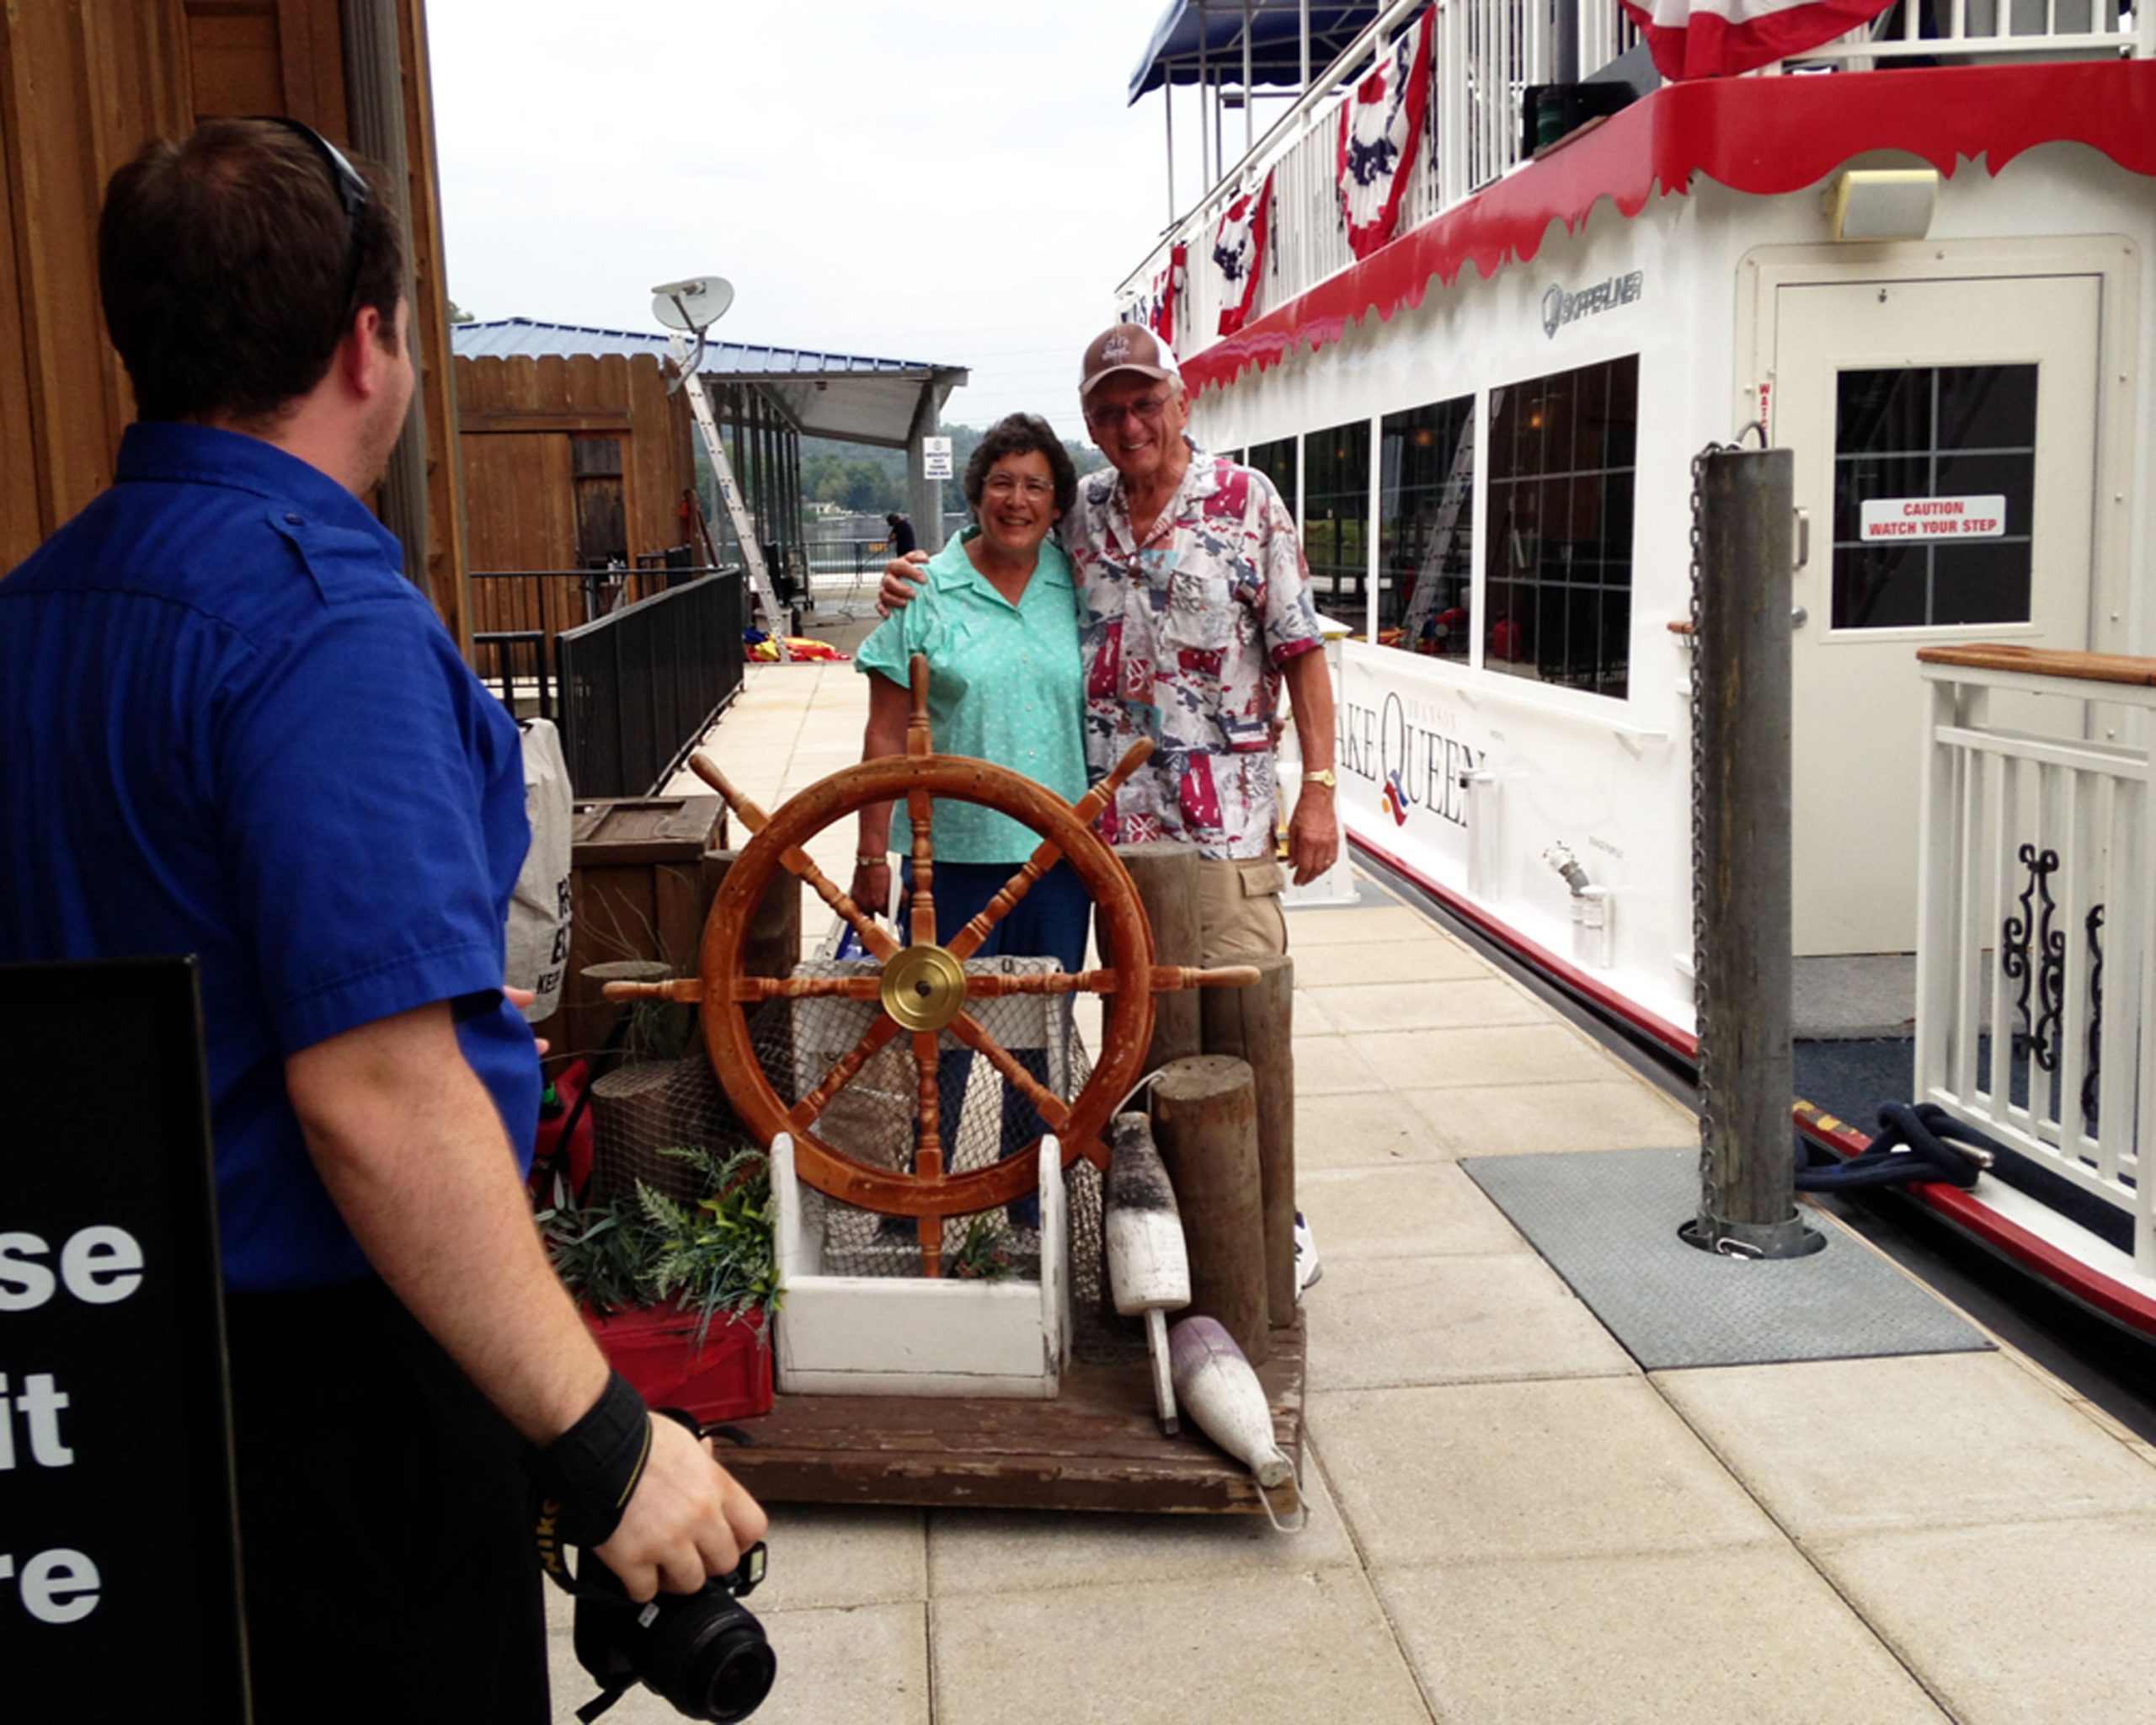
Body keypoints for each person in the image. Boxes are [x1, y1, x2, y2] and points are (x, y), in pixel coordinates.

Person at [0, 119, 765, 1722]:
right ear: (371, 345)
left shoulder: (37, 610)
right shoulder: (322, 623)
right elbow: (375, 1092)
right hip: (324, 1398)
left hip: (77, 1357)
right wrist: (608, 1442)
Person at [883, 325, 1339, 1288]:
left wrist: (1321, 792)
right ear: (1092, 422)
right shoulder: (1080, 511)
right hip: (1106, 837)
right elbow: (988, 553)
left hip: (1220, 832)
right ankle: (1163, 1231)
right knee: (1134, 1038)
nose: (1129, 423)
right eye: (1109, 409)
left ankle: (1272, 1223)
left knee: (1240, 1026)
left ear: (1181, 402)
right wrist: (914, 578)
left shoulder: (1248, 501)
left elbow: (1301, 649)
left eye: (1144, 402)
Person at [854, 415, 1090, 1223]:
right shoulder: (925, 590)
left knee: (1040, 1048)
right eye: (1001, 482)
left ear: (1057, 504)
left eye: (1035, 486)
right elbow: (886, 731)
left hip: (1060, 862)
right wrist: (870, 852)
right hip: (945, 860)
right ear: (975, 492)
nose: (1016, 501)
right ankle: (916, 1213)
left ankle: (1029, 1213)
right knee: (934, 1040)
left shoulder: (1081, 585)